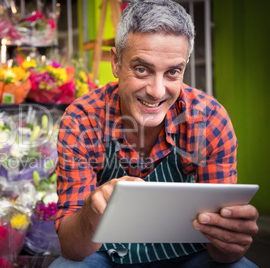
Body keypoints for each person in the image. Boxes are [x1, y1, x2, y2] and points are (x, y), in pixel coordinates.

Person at [49, 0, 259, 267]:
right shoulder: (82, 120)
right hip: (104, 255)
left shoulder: (210, 121)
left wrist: (230, 243)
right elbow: (72, 249)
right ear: (116, 62)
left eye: (172, 72)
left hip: (190, 255)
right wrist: (91, 210)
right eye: (141, 69)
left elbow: (222, 254)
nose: (157, 91)